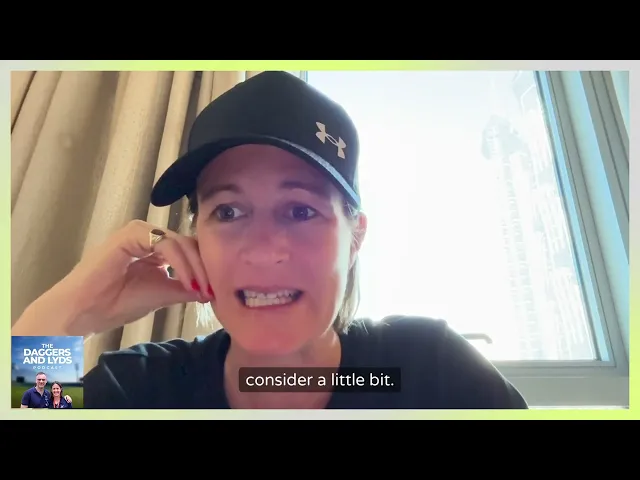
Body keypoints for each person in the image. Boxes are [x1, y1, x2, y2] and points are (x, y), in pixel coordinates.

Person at [13, 71, 528, 409]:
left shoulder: (426, 371)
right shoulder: (143, 389)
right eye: (228, 211)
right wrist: (70, 315)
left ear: (355, 238)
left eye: (301, 211)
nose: (263, 250)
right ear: (195, 237)